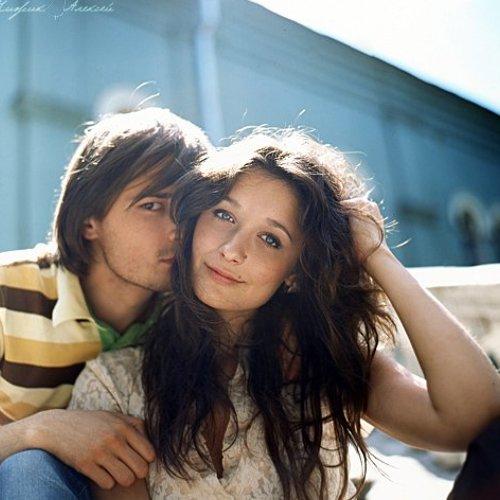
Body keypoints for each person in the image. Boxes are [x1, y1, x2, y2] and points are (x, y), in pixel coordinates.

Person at [68, 129, 500, 499]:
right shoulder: (116, 383)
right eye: (224, 215)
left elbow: (471, 418)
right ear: (195, 219)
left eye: (270, 239)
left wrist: (376, 255)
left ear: (294, 273)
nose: (232, 250)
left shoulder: (322, 363)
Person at [0, 107, 213, 498]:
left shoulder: (193, 315)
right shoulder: (6, 290)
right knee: (28, 465)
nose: (177, 230)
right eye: (152, 206)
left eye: (188, 210)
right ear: (89, 221)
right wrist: (42, 430)